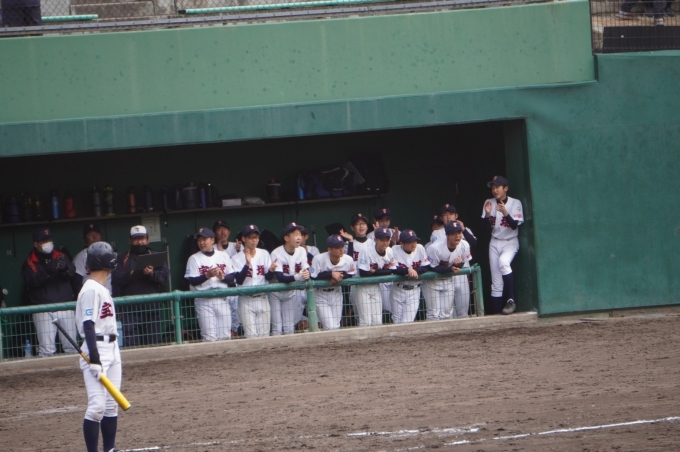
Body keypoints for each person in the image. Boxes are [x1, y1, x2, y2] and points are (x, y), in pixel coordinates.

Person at [74, 241, 121, 452]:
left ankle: (109, 449)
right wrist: (94, 357)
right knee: (97, 407)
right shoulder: (91, 289)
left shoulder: (101, 288)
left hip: (112, 347)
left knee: (111, 405)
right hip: (97, 348)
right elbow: (88, 324)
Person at [21, 228, 81, 357]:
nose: (48, 243)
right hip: (43, 309)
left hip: (65, 306)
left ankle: (74, 370)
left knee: (72, 347)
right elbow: (32, 281)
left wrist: (64, 269)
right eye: (44, 241)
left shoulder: (61, 256)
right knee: (47, 350)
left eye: (49, 239)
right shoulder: (29, 262)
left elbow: (72, 274)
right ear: (36, 244)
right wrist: (48, 271)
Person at [112, 225, 170, 347]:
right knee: (132, 345)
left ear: (147, 240)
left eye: (142, 238)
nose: (139, 242)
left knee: (152, 344)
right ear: (130, 240)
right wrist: (132, 273)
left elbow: (165, 276)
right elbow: (116, 279)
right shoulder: (121, 258)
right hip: (130, 309)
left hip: (152, 308)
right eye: (136, 239)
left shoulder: (156, 255)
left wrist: (152, 273)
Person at [481, 175, 524, 315]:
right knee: (496, 283)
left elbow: (514, 225)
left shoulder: (515, 203)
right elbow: (483, 229)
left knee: (504, 262)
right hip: (494, 242)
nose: (494, 190)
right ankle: (496, 316)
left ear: (505, 188)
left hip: (510, 241)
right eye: (493, 187)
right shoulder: (488, 203)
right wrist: (487, 215)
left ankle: (511, 300)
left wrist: (505, 212)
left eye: (497, 187)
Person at [185, 227, 236, 341]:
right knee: (209, 337)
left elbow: (232, 276)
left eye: (204, 239)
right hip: (204, 300)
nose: (201, 242)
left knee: (225, 336)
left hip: (222, 298)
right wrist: (206, 276)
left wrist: (222, 277)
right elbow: (192, 280)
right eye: (199, 240)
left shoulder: (223, 255)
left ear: (212, 240)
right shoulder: (194, 258)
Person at [231, 225, 275, 338]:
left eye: (256, 237)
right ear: (243, 239)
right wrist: (247, 264)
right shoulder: (236, 258)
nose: (254, 240)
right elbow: (239, 280)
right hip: (246, 299)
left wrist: (271, 270)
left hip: (263, 297)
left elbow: (268, 277)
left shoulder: (264, 254)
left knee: (264, 335)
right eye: (251, 238)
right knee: (251, 335)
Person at [269, 222, 310, 335]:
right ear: (286, 238)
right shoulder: (276, 253)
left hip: (290, 291)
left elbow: (306, 269)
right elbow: (280, 278)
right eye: (295, 235)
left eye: (300, 234)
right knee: (277, 327)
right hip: (276, 292)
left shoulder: (301, 251)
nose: (299, 237)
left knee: (289, 327)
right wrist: (297, 277)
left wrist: (306, 274)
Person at [427, 221, 472, 319]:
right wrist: (450, 268)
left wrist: (458, 265)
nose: (457, 236)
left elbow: (463, 262)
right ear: (447, 235)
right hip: (432, 282)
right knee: (433, 315)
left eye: (459, 232)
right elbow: (431, 267)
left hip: (448, 280)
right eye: (453, 233)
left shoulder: (464, 245)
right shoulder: (435, 248)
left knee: (447, 313)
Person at [309, 235, 356, 330]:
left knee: (336, 325)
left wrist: (339, 276)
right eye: (337, 247)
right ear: (329, 249)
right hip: (321, 294)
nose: (341, 249)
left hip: (336, 292)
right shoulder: (319, 259)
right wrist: (330, 274)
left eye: (342, 246)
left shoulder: (348, 259)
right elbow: (313, 277)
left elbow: (351, 273)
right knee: (329, 326)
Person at [355, 227, 397, 327]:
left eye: (387, 239)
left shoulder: (390, 251)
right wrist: (384, 272)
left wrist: (376, 272)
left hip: (376, 286)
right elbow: (363, 273)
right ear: (375, 240)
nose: (385, 242)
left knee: (377, 321)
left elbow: (393, 270)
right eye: (382, 240)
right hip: (363, 287)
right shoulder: (366, 251)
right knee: (366, 321)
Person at [390, 229, 430, 323]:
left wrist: (415, 271)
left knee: (407, 321)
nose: (414, 244)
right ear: (402, 243)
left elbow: (426, 266)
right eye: (410, 242)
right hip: (398, 289)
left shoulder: (420, 248)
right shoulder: (395, 250)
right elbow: (393, 269)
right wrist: (407, 270)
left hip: (414, 290)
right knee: (396, 320)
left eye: (415, 241)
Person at [212, 220, 240, 336]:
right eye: (219, 230)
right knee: (222, 317)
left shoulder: (237, 246)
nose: (222, 232)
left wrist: (239, 252)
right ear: (214, 234)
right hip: (220, 286)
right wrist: (220, 252)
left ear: (229, 232)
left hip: (235, 285)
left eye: (225, 229)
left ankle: (234, 334)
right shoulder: (211, 248)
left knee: (235, 314)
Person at [73, 223, 112, 294]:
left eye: (97, 234)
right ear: (85, 239)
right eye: (90, 235)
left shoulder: (109, 254)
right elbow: (76, 283)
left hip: (107, 295)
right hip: (90, 295)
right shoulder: (81, 257)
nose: (94, 237)